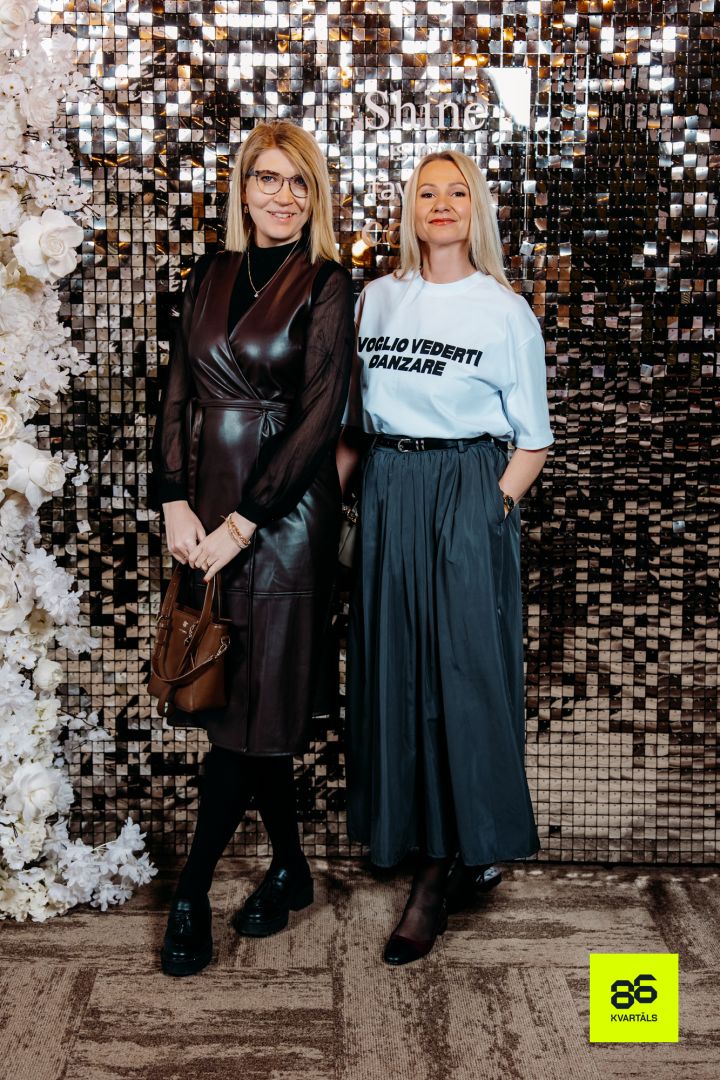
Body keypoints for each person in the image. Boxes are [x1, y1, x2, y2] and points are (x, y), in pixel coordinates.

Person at [337, 150, 553, 966]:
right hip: (390, 485)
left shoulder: (505, 311)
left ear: (476, 208)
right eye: (426, 191)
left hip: (466, 486)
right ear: (410, 210)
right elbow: (355, 420)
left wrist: (489, 511)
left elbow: (533, 440)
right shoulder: (377, 299)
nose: (441, 203)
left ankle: (442, 872)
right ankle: (420, 836)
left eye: (457, 191)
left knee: (462, 676)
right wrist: (329, 510)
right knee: (396, 671)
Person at [150, 120, 353, 977]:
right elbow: (177, 392)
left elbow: (319, 419)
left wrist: (246, 522)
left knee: (247, 715)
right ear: (243, 188)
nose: (283, 196)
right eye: (268, 178)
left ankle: (191, 893)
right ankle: (293, 868)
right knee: (239, 703)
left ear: (315, 197)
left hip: (285, 521)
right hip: (205, 510)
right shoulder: (207, 274)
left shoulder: (330, 283)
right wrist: (172, 497)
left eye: (299, 182)